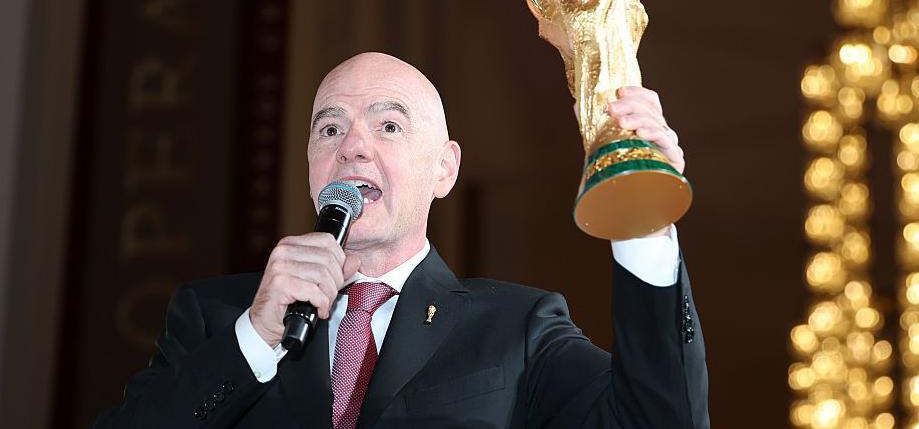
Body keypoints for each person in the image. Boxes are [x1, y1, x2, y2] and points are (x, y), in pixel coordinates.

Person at [95, 52, 709, 428]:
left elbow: (658, 421)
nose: (353, 146)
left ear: (444, 169)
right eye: (330, 127)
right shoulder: (216, 319)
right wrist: (255, 340)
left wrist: (643, 220)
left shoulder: (516, 328)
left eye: (388, 125)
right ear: (311, 166)